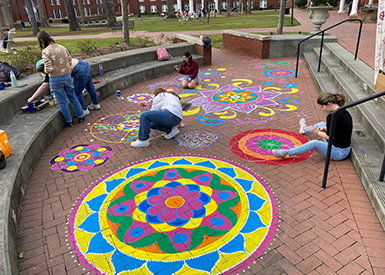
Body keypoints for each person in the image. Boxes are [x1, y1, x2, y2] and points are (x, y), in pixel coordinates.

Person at [272, 92, 353, 161]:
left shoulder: (332, 117)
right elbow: (339, 129)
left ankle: (286, 153)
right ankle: (303, 129)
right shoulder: (342, 111)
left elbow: (330, 137)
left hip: (339, 152)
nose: (323, 109)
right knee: (322, 124)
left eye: (323, 107)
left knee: (314, 143)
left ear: (329, 104)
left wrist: (316, 132)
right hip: (341, 146)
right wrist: (325, 128)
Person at [37, 31, 85, 127]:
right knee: (73, 97)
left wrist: (48, 70)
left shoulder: (46, 51)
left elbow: (49, 68)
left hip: (55, 79)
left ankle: (69, 121)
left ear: (41, 41)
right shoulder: (62, 47)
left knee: (62, 101)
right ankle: (81, 116)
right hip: (67, 76)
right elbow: (70, 61)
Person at [28, 59, 101, 115]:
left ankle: (84, 110)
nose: (44, 73)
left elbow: (45, 85)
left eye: (42, 72)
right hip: (85, 65)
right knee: (90, 86)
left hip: (79, 70)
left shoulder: (51, 69)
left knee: (76, 92)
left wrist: (32, 98)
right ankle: (96, 104)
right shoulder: (56, 61)